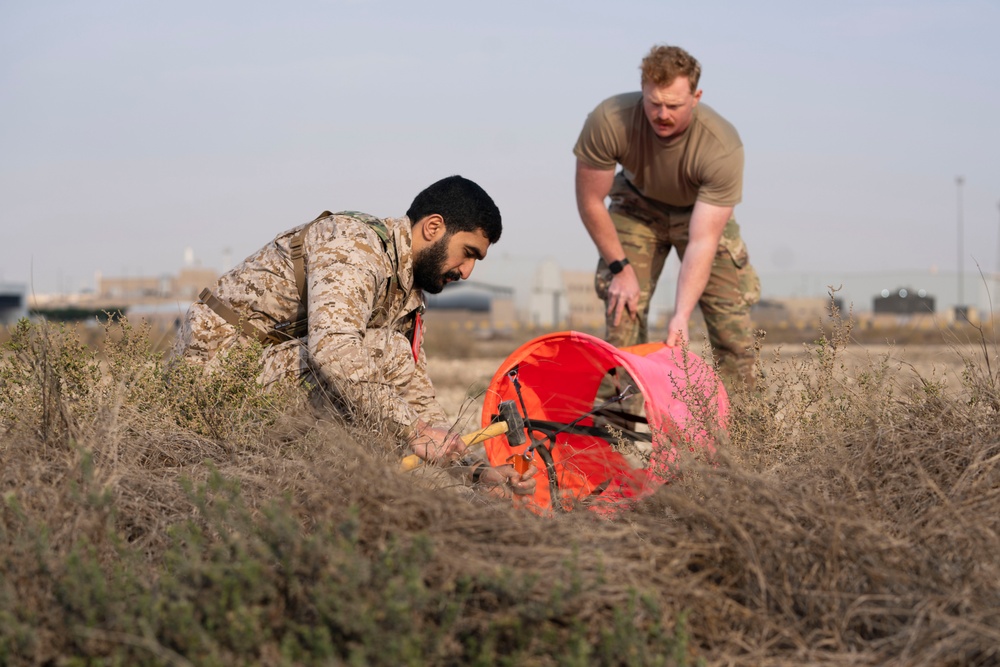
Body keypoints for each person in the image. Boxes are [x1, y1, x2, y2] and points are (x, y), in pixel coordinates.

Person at [172, 175, 534, 496]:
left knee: (383, 394)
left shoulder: (408, 293)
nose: (467, 272)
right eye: (467, 253)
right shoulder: (355, 247)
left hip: (260, 380)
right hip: (214, 380)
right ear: (434, 227)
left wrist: (476, 471)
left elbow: (416, 397)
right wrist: (413, 430)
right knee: (380, 371)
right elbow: (333, 348)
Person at [574, 44, 761, 391]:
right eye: (653, 103)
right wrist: (621, 270)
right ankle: (620, 430)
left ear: (696, 96)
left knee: (732, 330)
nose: (662, 114)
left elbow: (703, 239)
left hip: (698, 214)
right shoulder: (609, 119)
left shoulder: (721, 146)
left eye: (673, 105)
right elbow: (590, 201)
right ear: (642, 90)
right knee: (623, 312)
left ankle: (749, 433)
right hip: (637, 208)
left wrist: (680, 316)